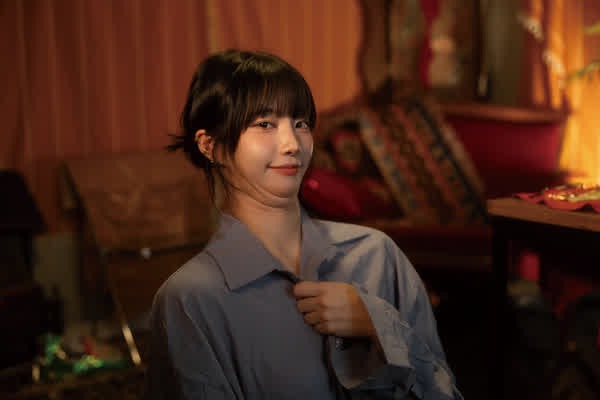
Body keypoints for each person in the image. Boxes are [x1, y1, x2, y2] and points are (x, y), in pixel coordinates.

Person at [144, 49, 462, 400]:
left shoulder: (376, 254)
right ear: (211, 146)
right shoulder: (190, 299)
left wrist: (380, 325)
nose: (292, 144)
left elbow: (445, 393)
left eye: (301, 124)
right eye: (265, 124)